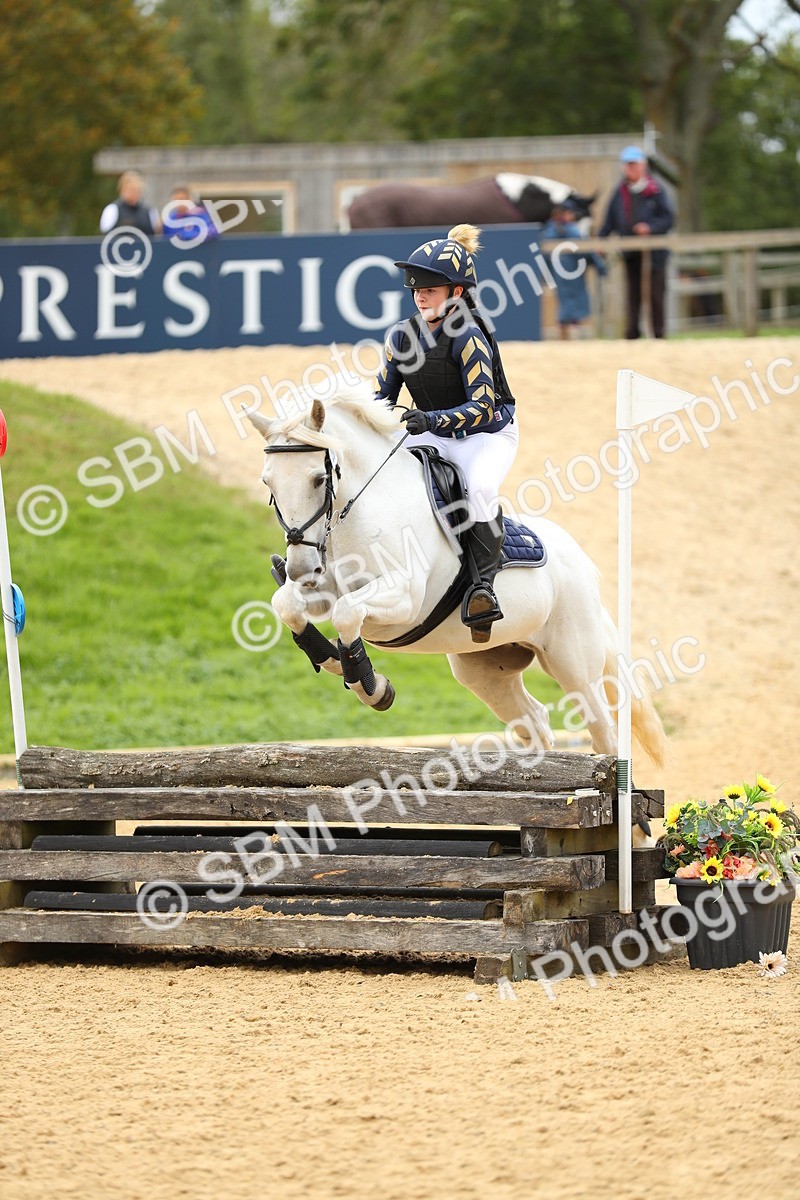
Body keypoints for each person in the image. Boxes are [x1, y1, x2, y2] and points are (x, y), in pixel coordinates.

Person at [375, 224, 518, 641]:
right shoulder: (401, 335)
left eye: (431, 288)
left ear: (456, 292)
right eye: (417, 287)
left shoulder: (469, 335)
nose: (420, 294)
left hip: (486, 435)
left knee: (479, 491)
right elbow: (381, 399)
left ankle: (482, 591)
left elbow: (483, 407)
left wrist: (430, 421)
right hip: (432, 429)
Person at [598, 146, 674, 339]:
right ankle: (632, 335)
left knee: (655, 295)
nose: (631, 168)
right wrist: (601, 240)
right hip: (631, 254)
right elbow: (609, 221)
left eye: (634, 164)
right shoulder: (619, 192)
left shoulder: (656, 190)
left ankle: (658, 334)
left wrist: (650, 227)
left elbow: (668, 218)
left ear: (643, 166)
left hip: (654, 254)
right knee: (633, 296)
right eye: (627, 165)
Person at [541, 200, 607, 339]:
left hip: (558, 275)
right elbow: (586, 251)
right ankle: (573, 333)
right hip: (574, 274)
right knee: (576, 304)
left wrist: (545, 275)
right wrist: (601, 267)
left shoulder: (548, 232)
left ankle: (564, 333)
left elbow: (544, 258)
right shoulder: (573, 231)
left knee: (564, 302)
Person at [99, 170, 160, 235]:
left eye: (137, 190)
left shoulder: (150, 211)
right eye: (131, 190)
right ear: (122, 190)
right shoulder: (112, 209)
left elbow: (156, 234)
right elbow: (104, 235)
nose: (135, 193)